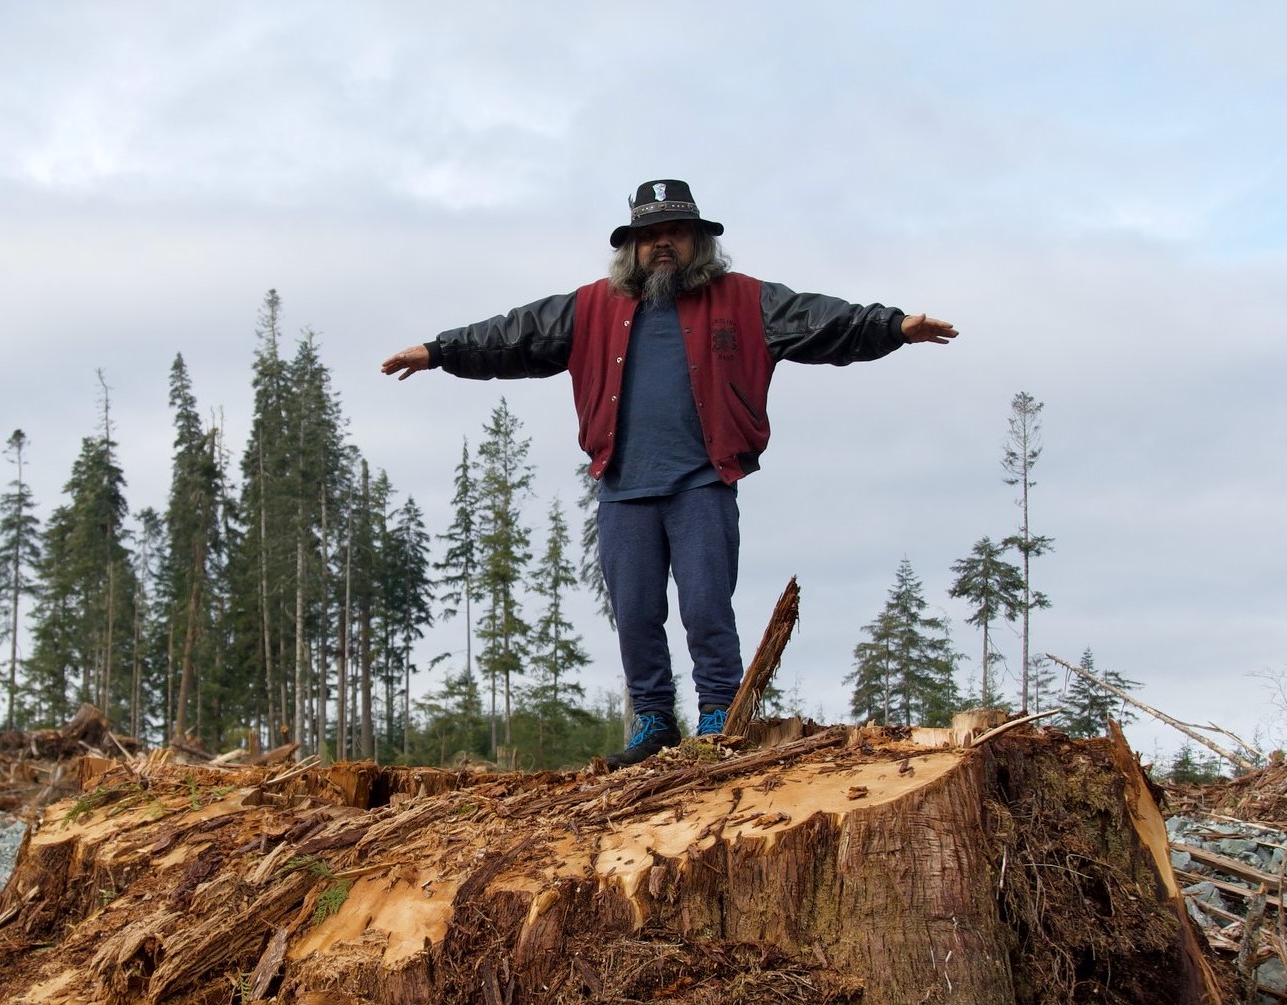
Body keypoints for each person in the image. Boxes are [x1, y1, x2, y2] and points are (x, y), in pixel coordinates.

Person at [381, 178, 957, 768]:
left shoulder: (744, 300)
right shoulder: (589, 308)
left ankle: (719, 715)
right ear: (631, 247)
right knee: (634, 612)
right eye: (649, 235)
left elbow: (822, 320)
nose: (662, 245)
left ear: (698, 241)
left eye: (674, 233)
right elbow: (511, 335)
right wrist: (437, 351)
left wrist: (893, 327)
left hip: (702, 482)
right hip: (623, 488)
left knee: (707, 605)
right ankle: (653, 720)